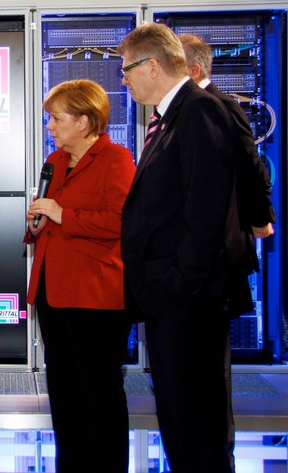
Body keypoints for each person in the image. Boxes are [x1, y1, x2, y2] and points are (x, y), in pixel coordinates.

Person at [118, 23, 239, 473]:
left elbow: (205, 215)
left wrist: (173, 284)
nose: (124, 80)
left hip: (186, 301)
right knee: (179, 422)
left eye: (126, 70)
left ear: (152, 66)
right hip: (170, 301)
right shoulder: (170, 116)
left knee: (195, 427)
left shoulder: (199, 111)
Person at [24, 79, 136, 473]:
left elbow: (123, 222)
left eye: (56, 119)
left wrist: (61, 214)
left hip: (97, 297)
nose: (50, 127)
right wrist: (36, 223)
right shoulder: (54, 162)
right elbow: (46, 217)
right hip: (52, 293)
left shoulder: (116, 159)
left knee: (100, 393)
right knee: (65, 393)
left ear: (85, 121)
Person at [180, 33, 277, 472]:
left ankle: (218, 458)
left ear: (194, 72)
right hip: (190, 264)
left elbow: (250, 166)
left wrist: (260, 219)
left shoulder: (218, 106)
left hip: (214, 262)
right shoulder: (182, 113)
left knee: (210, 376)